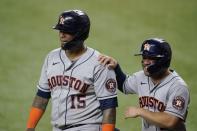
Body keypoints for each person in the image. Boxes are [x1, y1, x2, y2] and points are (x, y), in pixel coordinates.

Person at [26, 10, 118, 131]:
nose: (61, 35)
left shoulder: (100, 63)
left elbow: (109, 107)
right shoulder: (51, 57)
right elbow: (42, 96)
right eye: (60, 30)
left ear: (80, 33)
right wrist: (29, 128)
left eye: (67, 32)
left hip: (88, 127)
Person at [99, 38, 190, 131]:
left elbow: (171, 121)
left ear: (163, 60)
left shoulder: (178, 87)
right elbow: (124, 85)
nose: (146, 62)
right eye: (144, 57)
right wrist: (116, 67)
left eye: (151, 58)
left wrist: (140, 111)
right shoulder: (141, 77)